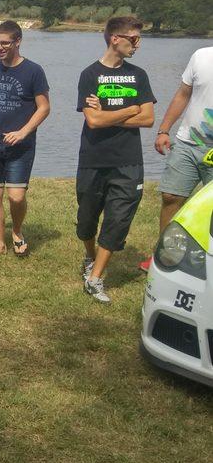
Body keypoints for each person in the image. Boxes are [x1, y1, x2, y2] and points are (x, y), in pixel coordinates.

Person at [77, 16, 155, 303]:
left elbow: (148, 119)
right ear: (115, 39)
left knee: (118, 219)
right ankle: (90, 257)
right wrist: (130, 109)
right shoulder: (90, 75)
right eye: (133, 39)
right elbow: (93, 122)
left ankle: (95, 278)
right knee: (86, 220)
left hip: (128, 161)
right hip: (93, 159)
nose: (137, 44)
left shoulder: (139, 75)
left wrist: (108, 115)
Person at [0, 20, 50, 256]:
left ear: (18, 42)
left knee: (16, 197)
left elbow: (44, 107)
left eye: (5, 43)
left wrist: (23, 132)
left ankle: (16, 231)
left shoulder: (33, 71)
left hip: (20, 145)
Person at [139, 45, 213, 271]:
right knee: (171, 196)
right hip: (187, 142)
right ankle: (165, 256)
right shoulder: (201, 56)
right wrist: (164, 129)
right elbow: (183, 94)